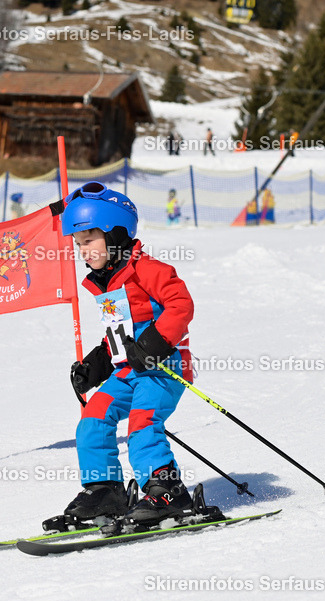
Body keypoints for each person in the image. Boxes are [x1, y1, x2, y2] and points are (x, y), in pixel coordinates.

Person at [62, 182, 196, 526]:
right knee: (92, 419)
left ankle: (167, 491)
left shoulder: (146, 269)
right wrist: (97, 364)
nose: (84, 251)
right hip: (129, 370)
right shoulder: (107, 283)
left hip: (165, 368)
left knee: (142, 422)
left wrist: (154, 342)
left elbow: (181, 304)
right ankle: (104, 490)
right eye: (78, 244)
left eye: (89, 240)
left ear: (117, 233)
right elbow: (119, 333)